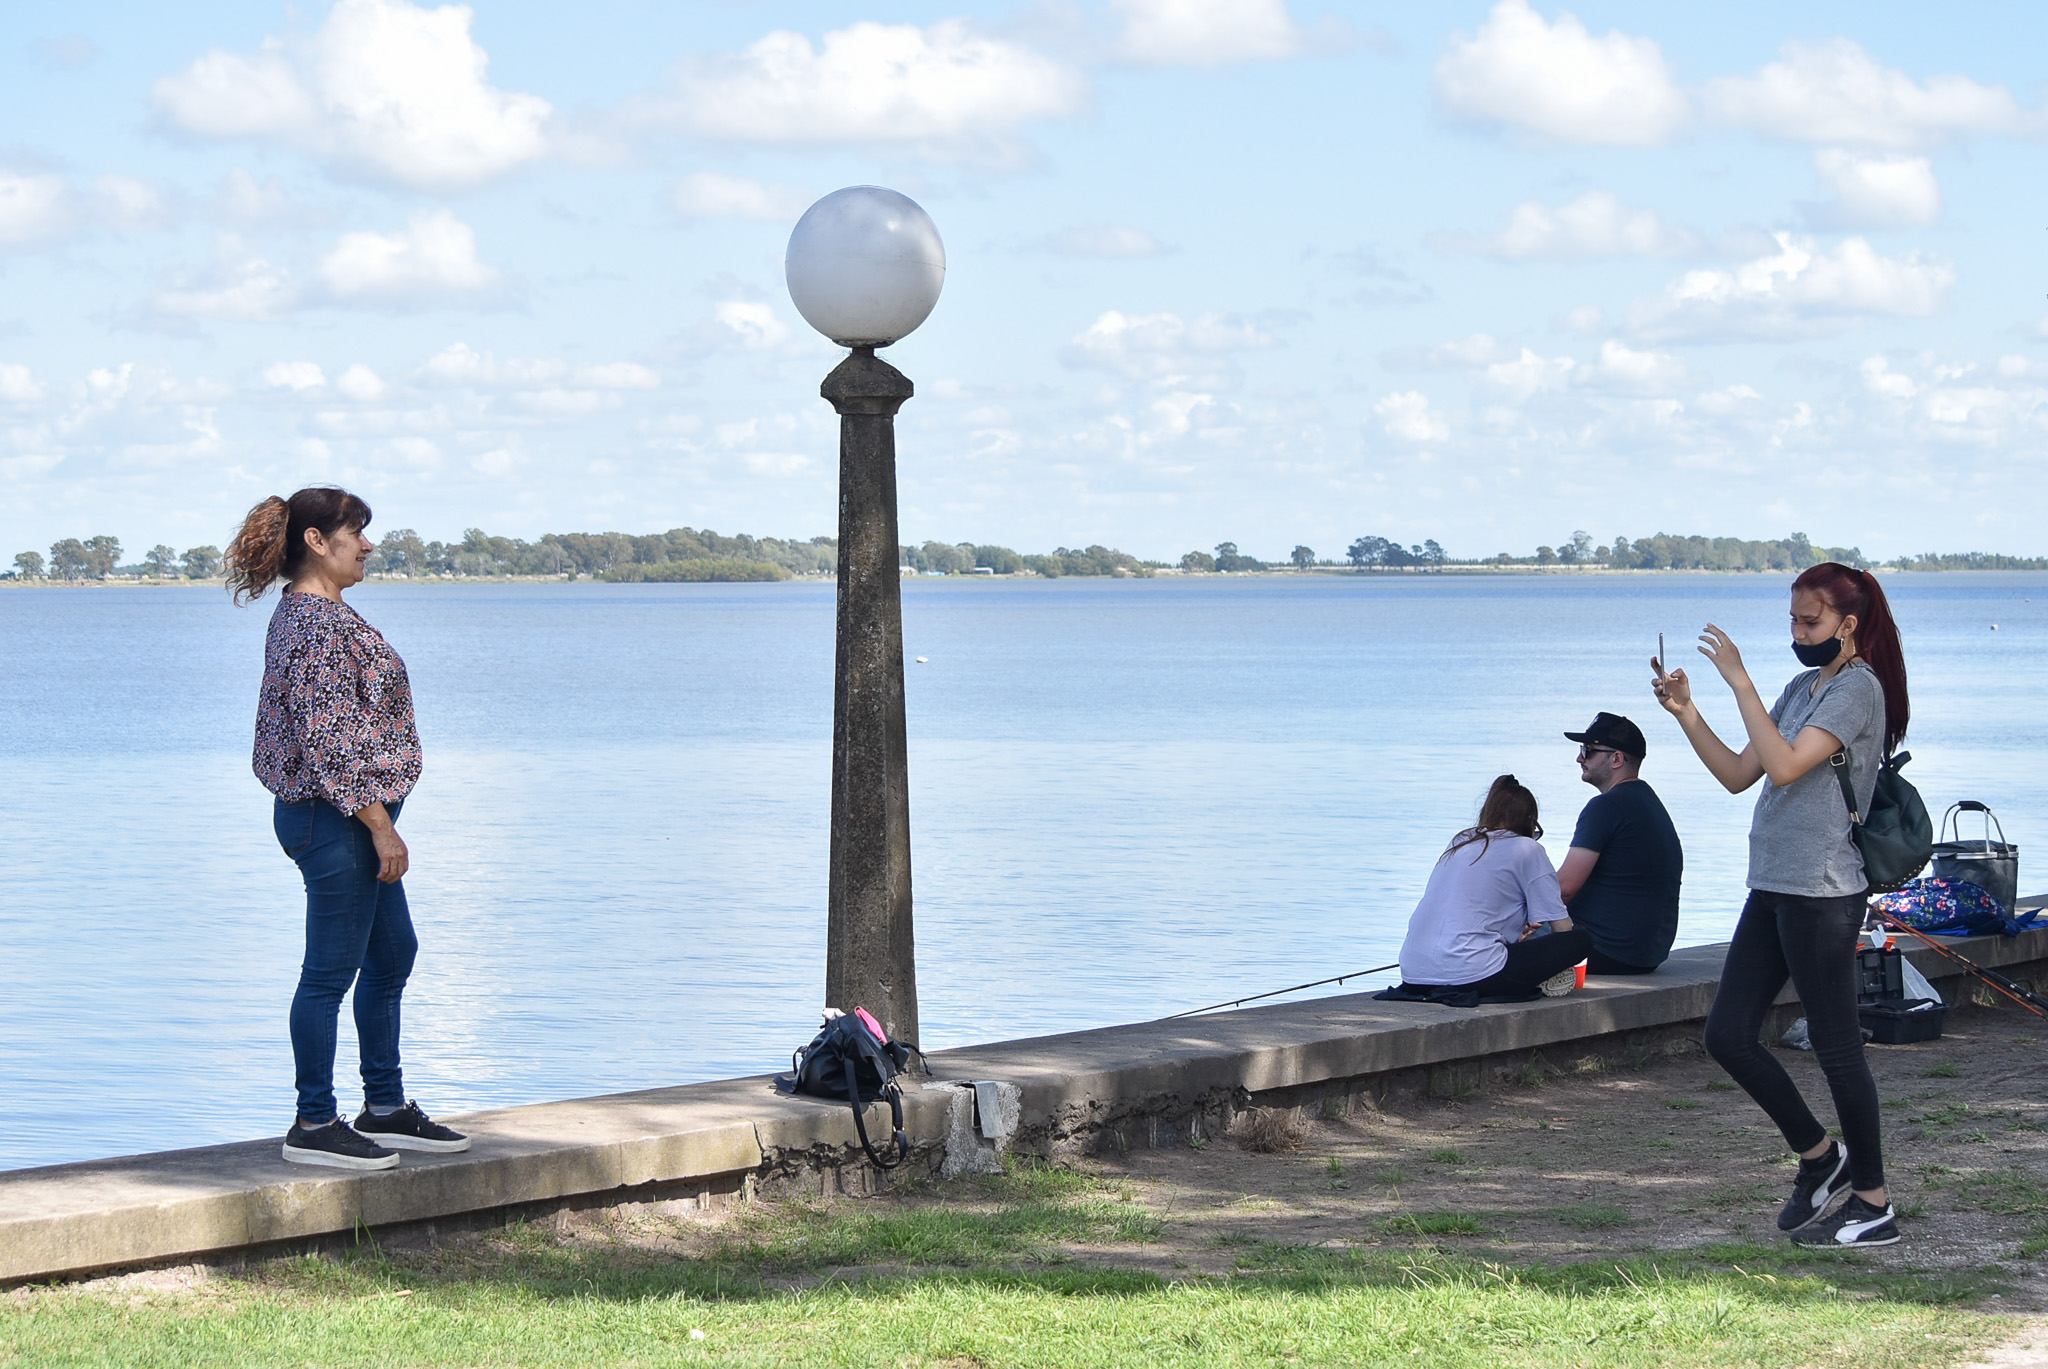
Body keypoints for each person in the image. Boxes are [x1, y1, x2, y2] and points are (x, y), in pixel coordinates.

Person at [1655, 562, 1907, 1249]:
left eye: (1810, 621)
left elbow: (1791, 765)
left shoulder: (1858, 690)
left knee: (1836, 1045)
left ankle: (1874, 1199)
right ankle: (1821, 1158)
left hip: (1823, 890)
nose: (1797, 632)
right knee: (1727, 1033)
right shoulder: (1803, 687)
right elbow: (1744, 773)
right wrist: (1688, 714)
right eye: (1792, 620)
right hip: (1772, 883)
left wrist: (1740, 681)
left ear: (1847, 625)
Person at [224, 488, 470, 1170]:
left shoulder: (324, 612)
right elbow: (327, 739)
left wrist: (379, 822)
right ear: (315, 541)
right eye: (355, 533)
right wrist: (380, 828)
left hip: (352, 817)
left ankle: (384, 1107)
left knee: (392, 956)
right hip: (332, 817)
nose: (367, 544)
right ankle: (313, 1121)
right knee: (329, 972)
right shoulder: (312, 621)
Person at [1384, 775, 1593, 1005]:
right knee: (1579, 940)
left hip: (1414, 974)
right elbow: (1562, 928)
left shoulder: (1460, 841)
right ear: (1530, 821)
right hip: (1474, 974)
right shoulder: (1528, 848)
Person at [1556, 712, 1684, 974]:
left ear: (1616, 759)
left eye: (1588, 750)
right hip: (1646, 954)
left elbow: (1564, 888)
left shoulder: (1606, 807)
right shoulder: (1647, 801)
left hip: (1604, 950)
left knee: (1495, 934)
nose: (1579, 758)